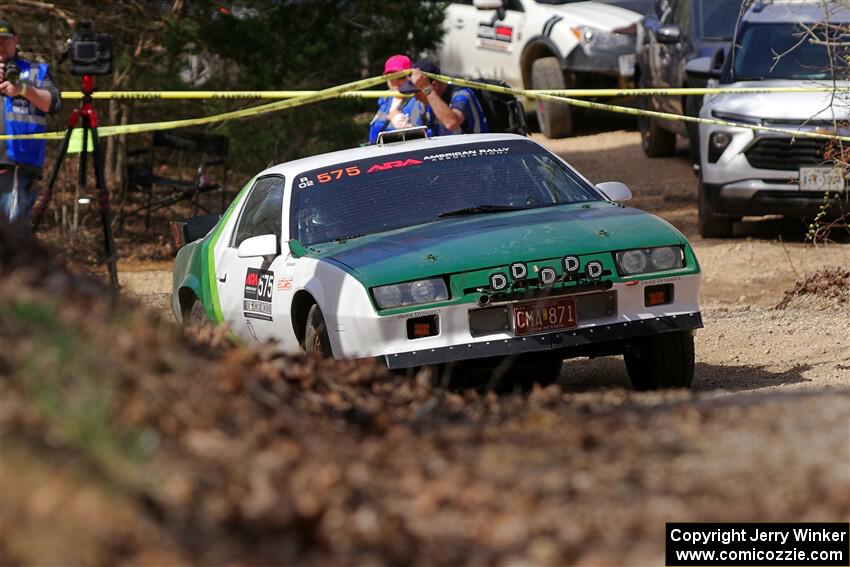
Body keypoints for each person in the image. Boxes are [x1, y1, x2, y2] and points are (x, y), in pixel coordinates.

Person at [0, 17, 62, 224]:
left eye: (5, 39)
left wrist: (22, 89)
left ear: (16, 40)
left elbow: (53, 104)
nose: (1, 44)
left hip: (18, 167)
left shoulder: (36, 71)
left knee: (11, 240)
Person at [409, 60, 489, 136]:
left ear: (434, 85)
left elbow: (451, 123)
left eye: (417, 92)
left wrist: (426, 88)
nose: (416, 98)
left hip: (475, 148)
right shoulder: (424, 103)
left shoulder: (462, 94)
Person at [368, 54, 427, 143]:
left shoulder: (419, 99)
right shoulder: (385, 99)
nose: (395, 82)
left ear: (410, 76)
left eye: (400, 77)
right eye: (390, 77)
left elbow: (422, 138)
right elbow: (373, 136)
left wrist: (400, 122)